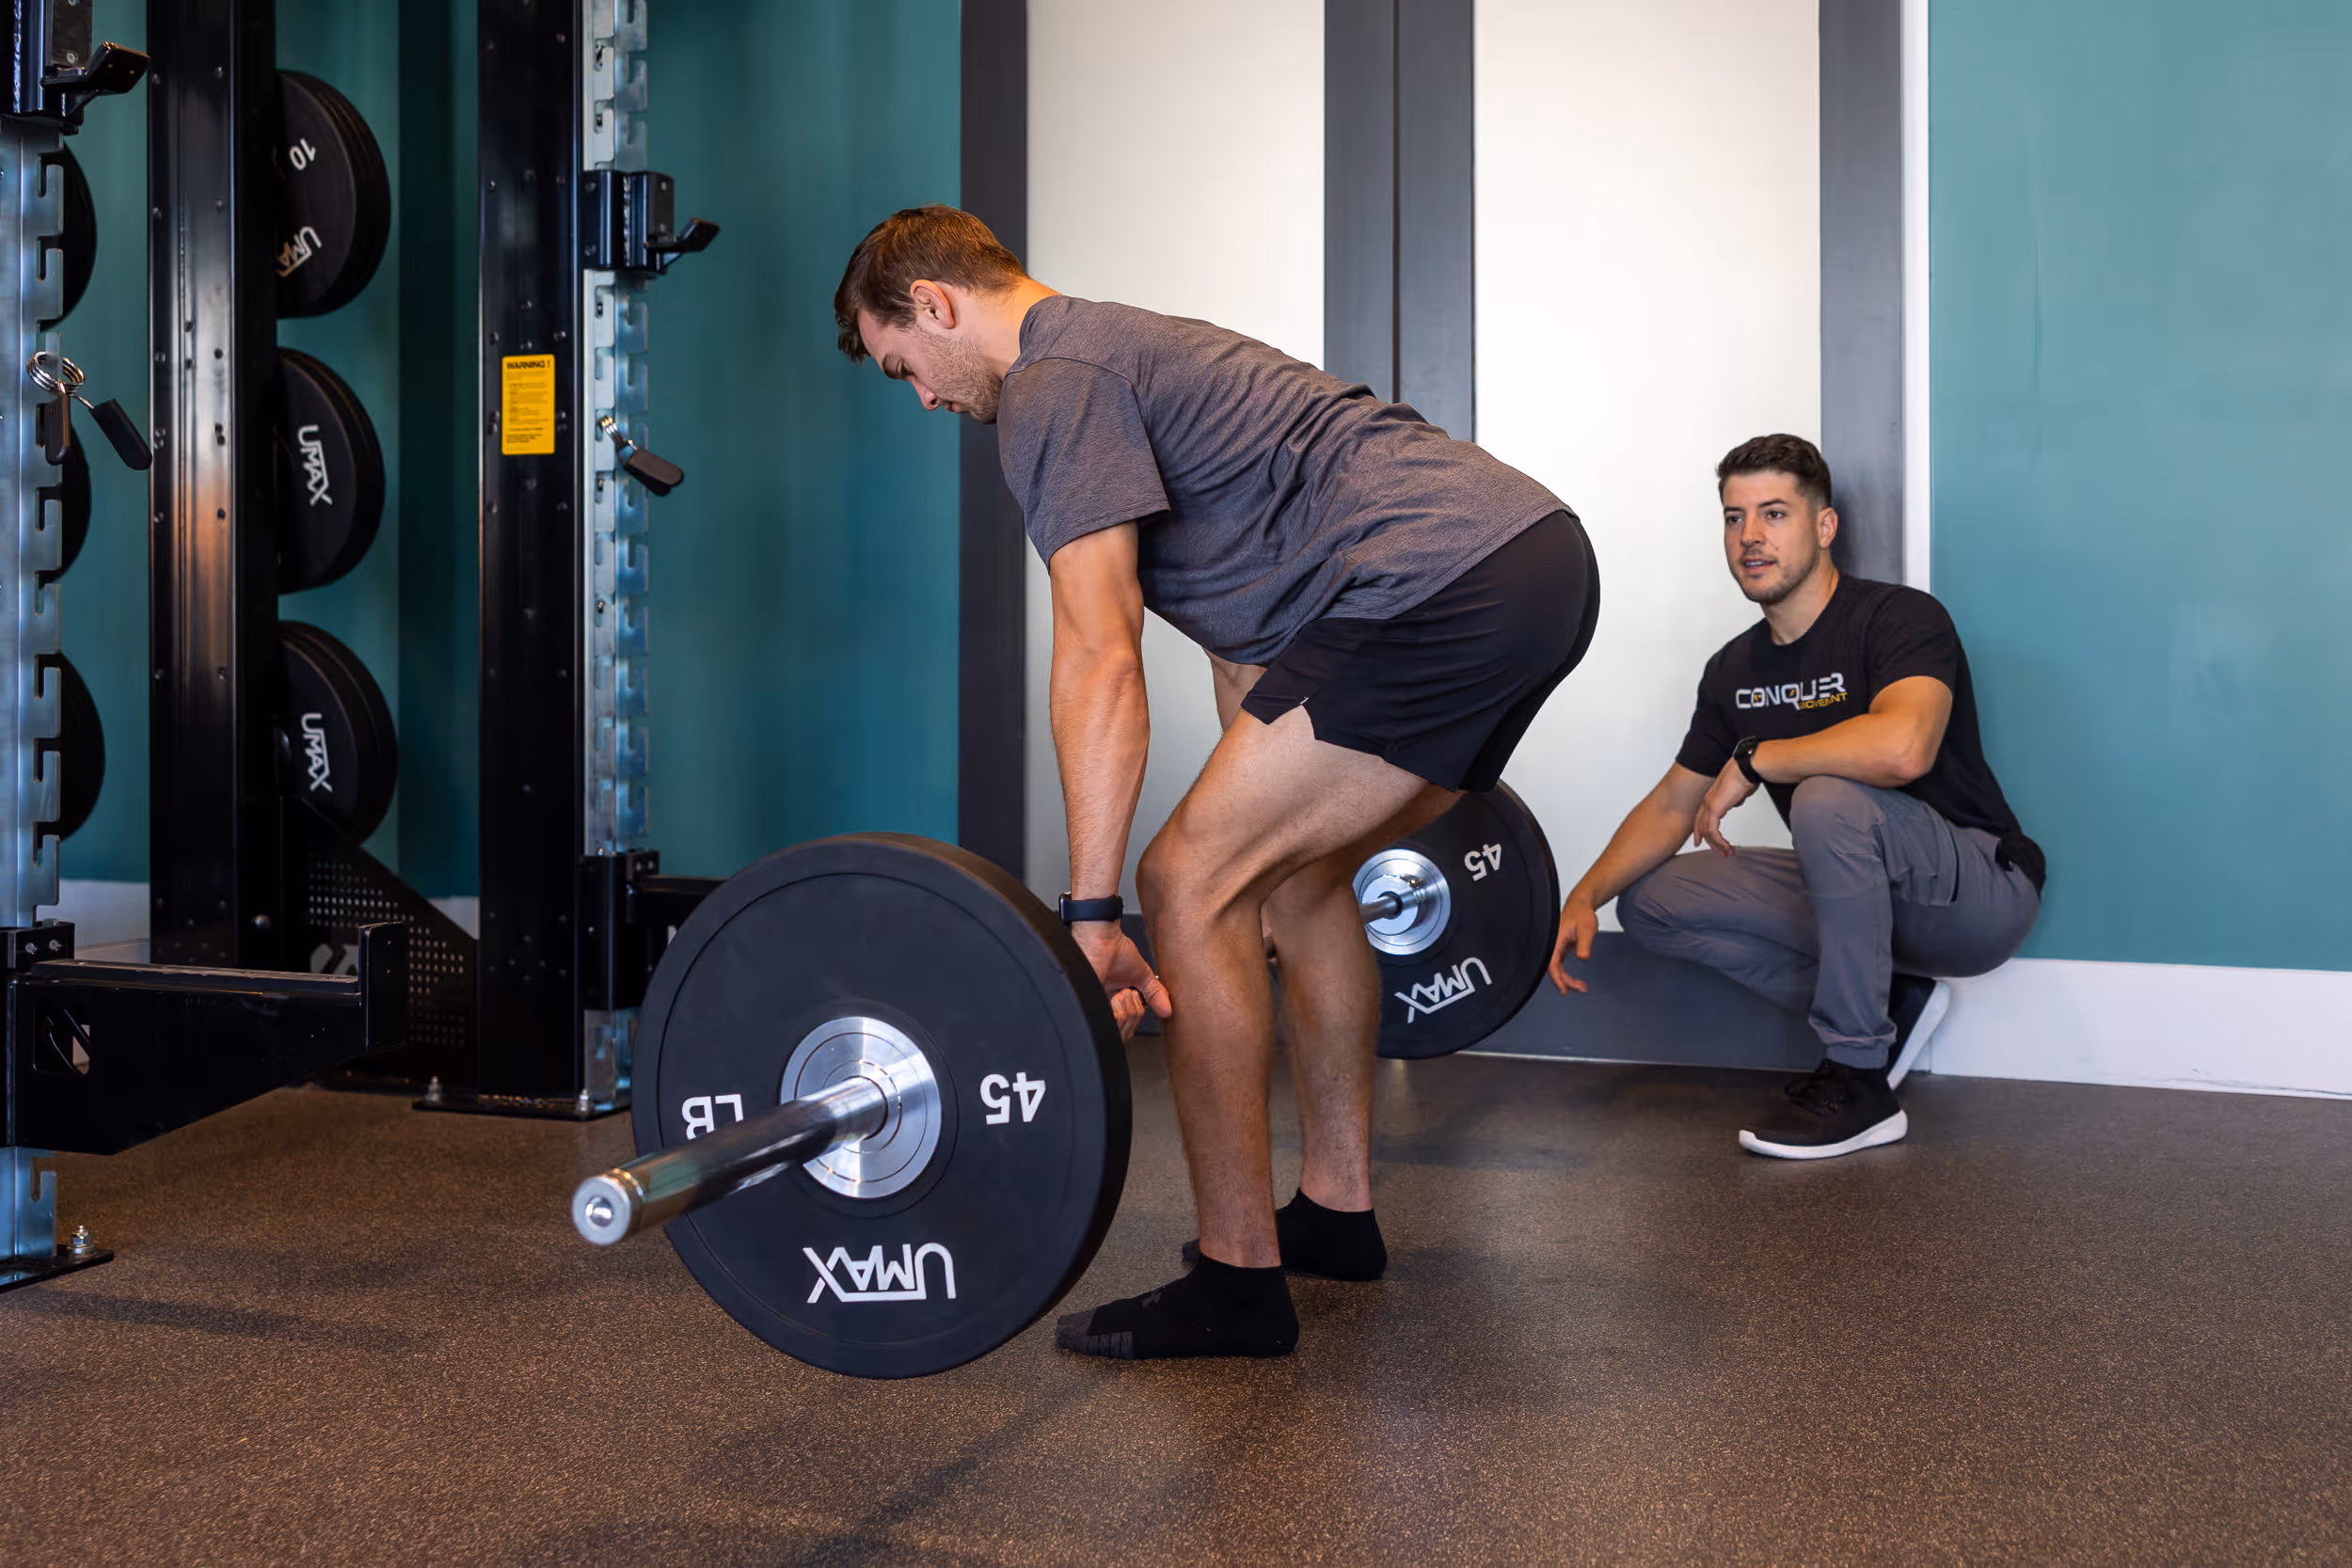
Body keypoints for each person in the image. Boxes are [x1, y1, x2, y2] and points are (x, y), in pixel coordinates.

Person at [834, 206, 1598, 1358]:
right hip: (1529, 560)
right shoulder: (1137, 350)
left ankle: (1238, 1282)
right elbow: (1254, 661)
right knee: (1289, 879)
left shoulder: (1054, 384)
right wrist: (1235, 839)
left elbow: (1099, 655)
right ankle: (1335, 1215)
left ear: (935, 304)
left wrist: (1096, 913)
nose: (922, 399)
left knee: (1182, 880)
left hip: (1437, 585)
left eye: (904, 365)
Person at [1549, 434, 2042, 1159]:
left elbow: (1904, 747)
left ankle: (1861, 1082)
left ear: (1823, 525)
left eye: (1774, 514)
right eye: (1733, 517)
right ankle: (1892, 1008)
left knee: (1824, 798)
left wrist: (1758, 758)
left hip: (1977, 892)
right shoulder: (1733, 671)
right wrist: (1582, 895)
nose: (1750, 536)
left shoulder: (1900, 619)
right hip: (1863, 892)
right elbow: (1670, 805)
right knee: (1651, 901)